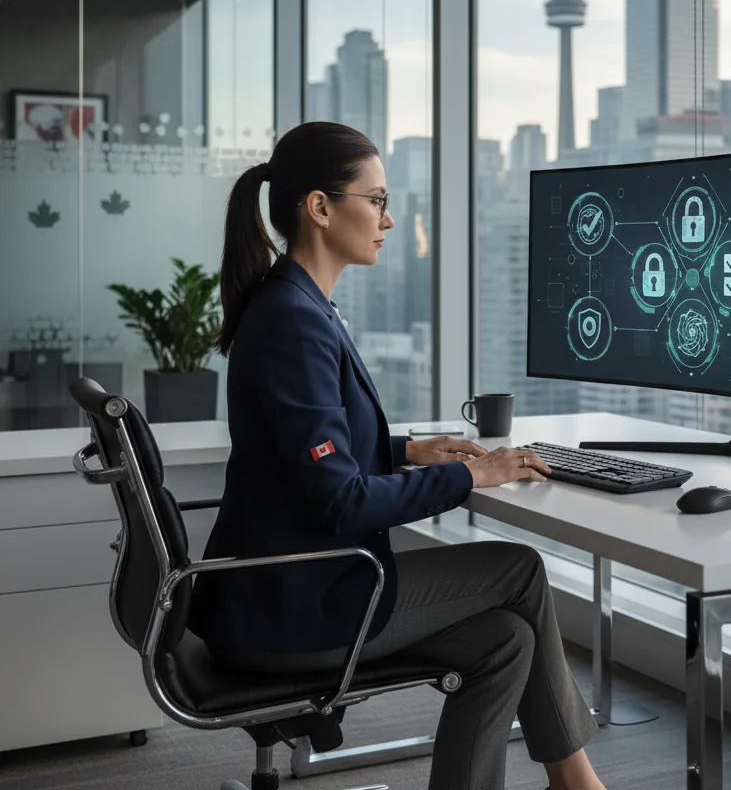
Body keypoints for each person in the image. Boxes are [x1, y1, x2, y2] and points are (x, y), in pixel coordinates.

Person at [189, 121, 604, 790]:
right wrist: (470, 474)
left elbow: (304, 449)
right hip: (296, 609)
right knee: (521, 570)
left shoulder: (295, 305)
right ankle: (578, 783)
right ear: (320, 208)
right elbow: (339, 499)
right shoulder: (293, 320)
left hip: (280, 593)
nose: (388, 219)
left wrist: (406, 449)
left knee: (507, 641)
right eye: (377, 200)